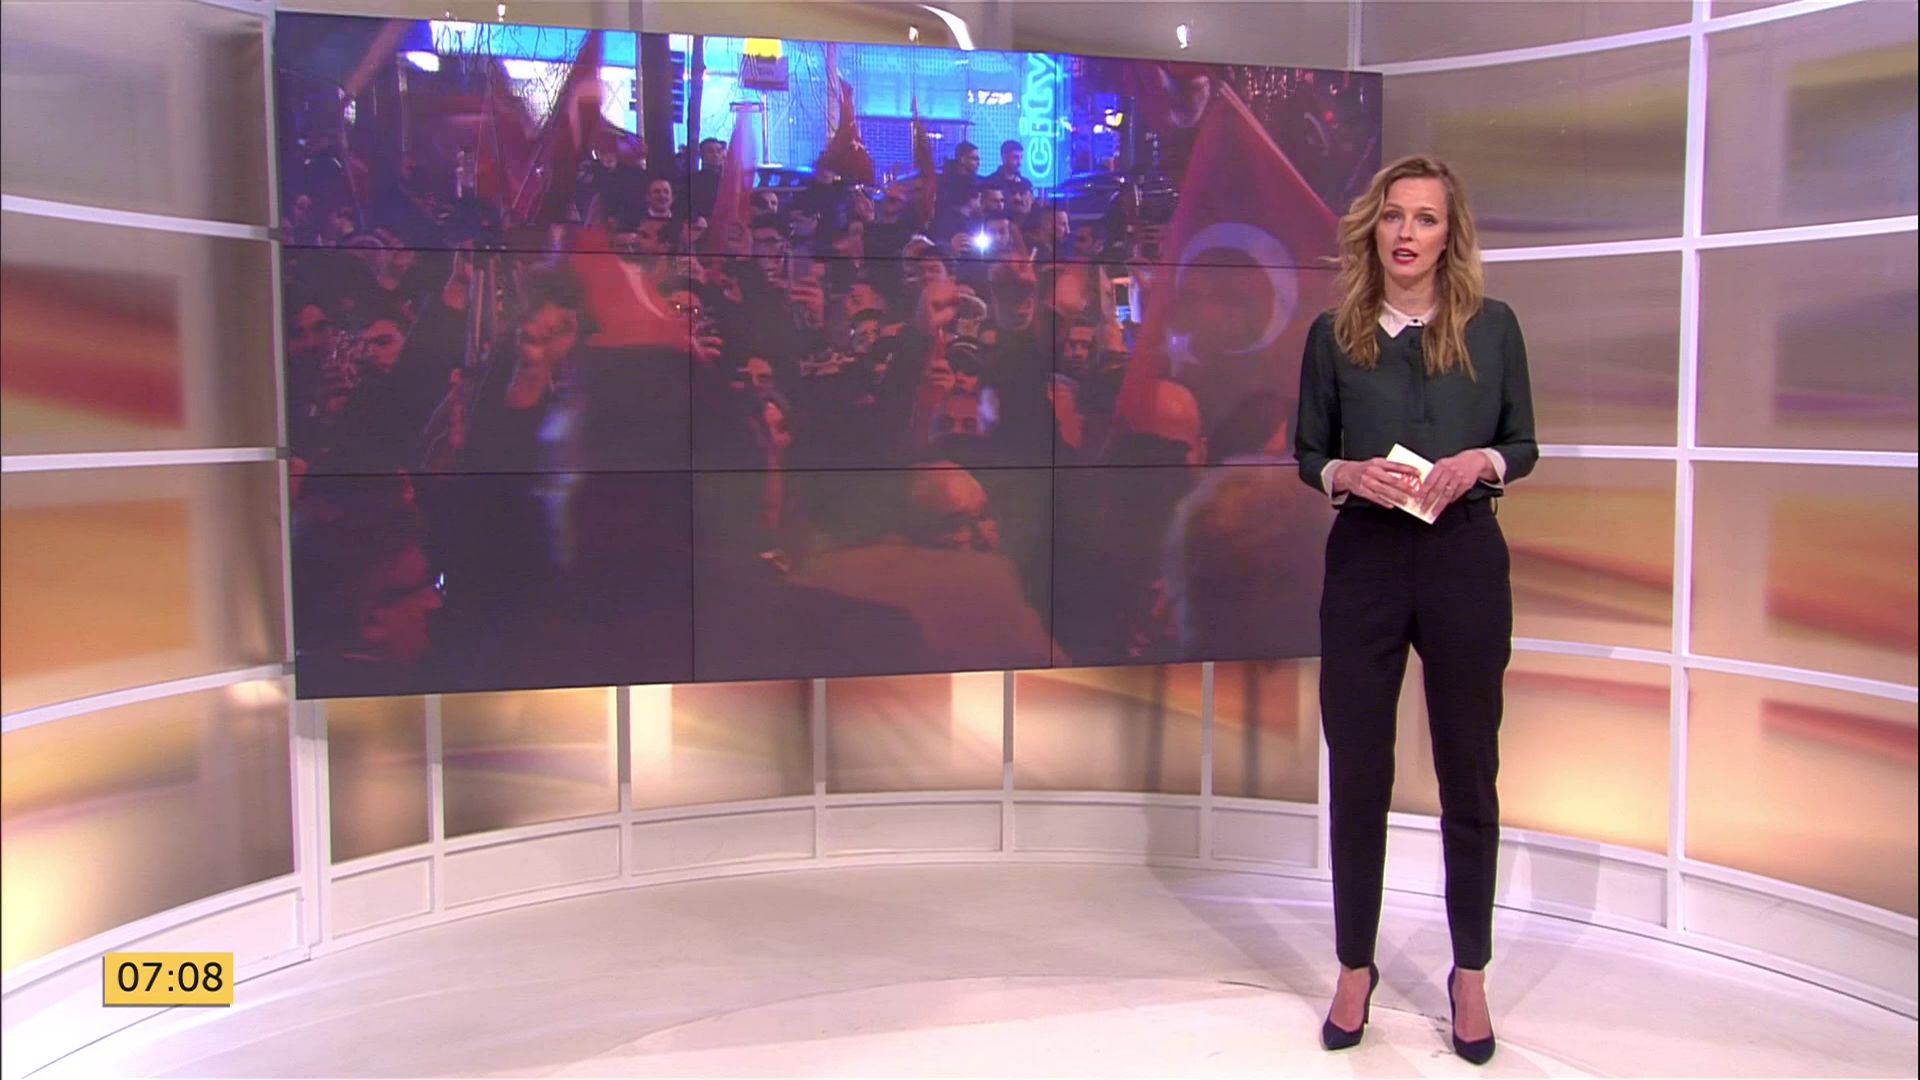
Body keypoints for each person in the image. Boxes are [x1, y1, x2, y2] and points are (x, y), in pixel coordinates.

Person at [1293, 154, 1537, 1065]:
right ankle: (1354, 968)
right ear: (1375, 228)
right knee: (1360, 771)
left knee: (1469, 770)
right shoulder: (1335, 333)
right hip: (1365, 560)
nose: (1406, 233)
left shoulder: (1494, 327)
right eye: (1394, 215)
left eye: (1426, 219)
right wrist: (1344, 473)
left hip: (1464, 558)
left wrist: (1483, 462)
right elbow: (1306, 451)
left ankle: (1469, 974)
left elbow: (1524, 441)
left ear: (1448, 235)